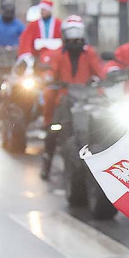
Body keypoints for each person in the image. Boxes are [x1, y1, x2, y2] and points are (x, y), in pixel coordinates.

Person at [39, 16, 108, 179]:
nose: (74, 39)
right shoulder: (58, 54)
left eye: (77, 35)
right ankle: (47, 163)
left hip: (86, 99)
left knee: (105, 122)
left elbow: (100, 70)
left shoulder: (89, 52)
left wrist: (100, 79)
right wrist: (49, 78)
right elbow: (50, 70)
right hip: (64, 98)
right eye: (71, 35)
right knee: (53, 130)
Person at [17, 0, 60, 65]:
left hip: (55, 57)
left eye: (44, 10)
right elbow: (26, 39)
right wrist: (27, 54)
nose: (42, 12)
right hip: (37, 57)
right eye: (41, 10)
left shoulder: (59, 24)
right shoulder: (33, 25)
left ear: (49, 10)